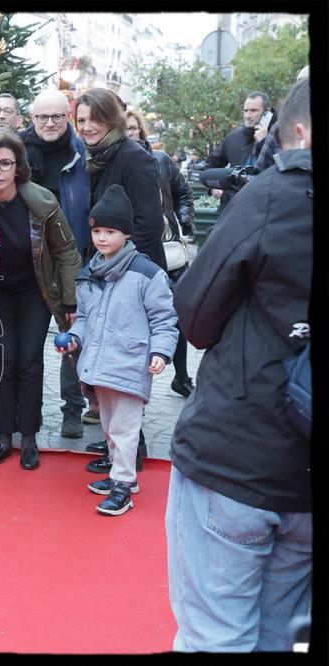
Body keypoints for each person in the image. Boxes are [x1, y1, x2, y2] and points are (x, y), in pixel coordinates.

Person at [165, 78, 311, 652]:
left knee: (215, 638)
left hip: (241, 453)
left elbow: (196, 314)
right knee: (277, 637)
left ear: (297, 131)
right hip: (299, 483)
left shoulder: (274, 195)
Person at [0, 133, 81, 469]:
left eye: (4, 163)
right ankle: (5, 435)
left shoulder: (42, 201)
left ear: (17, 167)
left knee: (30, 361)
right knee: (5, 362)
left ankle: (30, 437)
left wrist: (71, 301)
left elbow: (66, 252)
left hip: (36, 291)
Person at [57, 184, 178, 514]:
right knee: (110, 427)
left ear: (126, 233)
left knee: (125, 430)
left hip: (130, 362)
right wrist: (74, 337)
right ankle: (121, 475)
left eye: (110, 231)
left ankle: (123, 484)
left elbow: (165, 320)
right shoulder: (89, 274)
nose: (101, 238)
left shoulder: (146, 274)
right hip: (99, 366)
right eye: (97, 230)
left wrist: (160, 352)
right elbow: (83, 317)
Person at [75, 89, 165, 474]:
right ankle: (119, 445)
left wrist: (121, 272)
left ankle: (130, 451)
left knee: (124, 367)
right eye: (80, 121)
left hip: (131, 277)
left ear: (111, 119)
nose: (87, 126)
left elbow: (148, 224)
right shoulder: (96, 157)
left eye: (93, 118)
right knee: (108, 364)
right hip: (106, 271)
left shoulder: (134, 157)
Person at [20, 88, 92, 439]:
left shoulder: (84, 153)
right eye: (42, 117)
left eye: (57, 117)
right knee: (28, 343)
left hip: (70, 260)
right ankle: (25, 414)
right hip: (28, 263)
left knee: (71, 341)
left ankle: (73, 410)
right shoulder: (17, 151)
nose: (49, 123)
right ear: (32, 118)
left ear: (69, 117)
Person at [126, 108, 196, 399]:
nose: (129, 133)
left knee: (175, 314)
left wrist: (180, 219)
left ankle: (181, 376)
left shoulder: (161, 160)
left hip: (167, 252)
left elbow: (184, 193)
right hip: (130, 251)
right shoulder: (114, 163)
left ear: (140, 130)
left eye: (133, 128)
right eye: (124, 128)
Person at [202, 91, 270, 209]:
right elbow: (211, 164)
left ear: (267, 113)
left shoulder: (277, 136)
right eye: (245, 111)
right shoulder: (233, 137)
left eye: (254, 110)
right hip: (232, 208)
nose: (248, 115)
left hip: (264, 207)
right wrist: (213, 187)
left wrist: (265, 141)